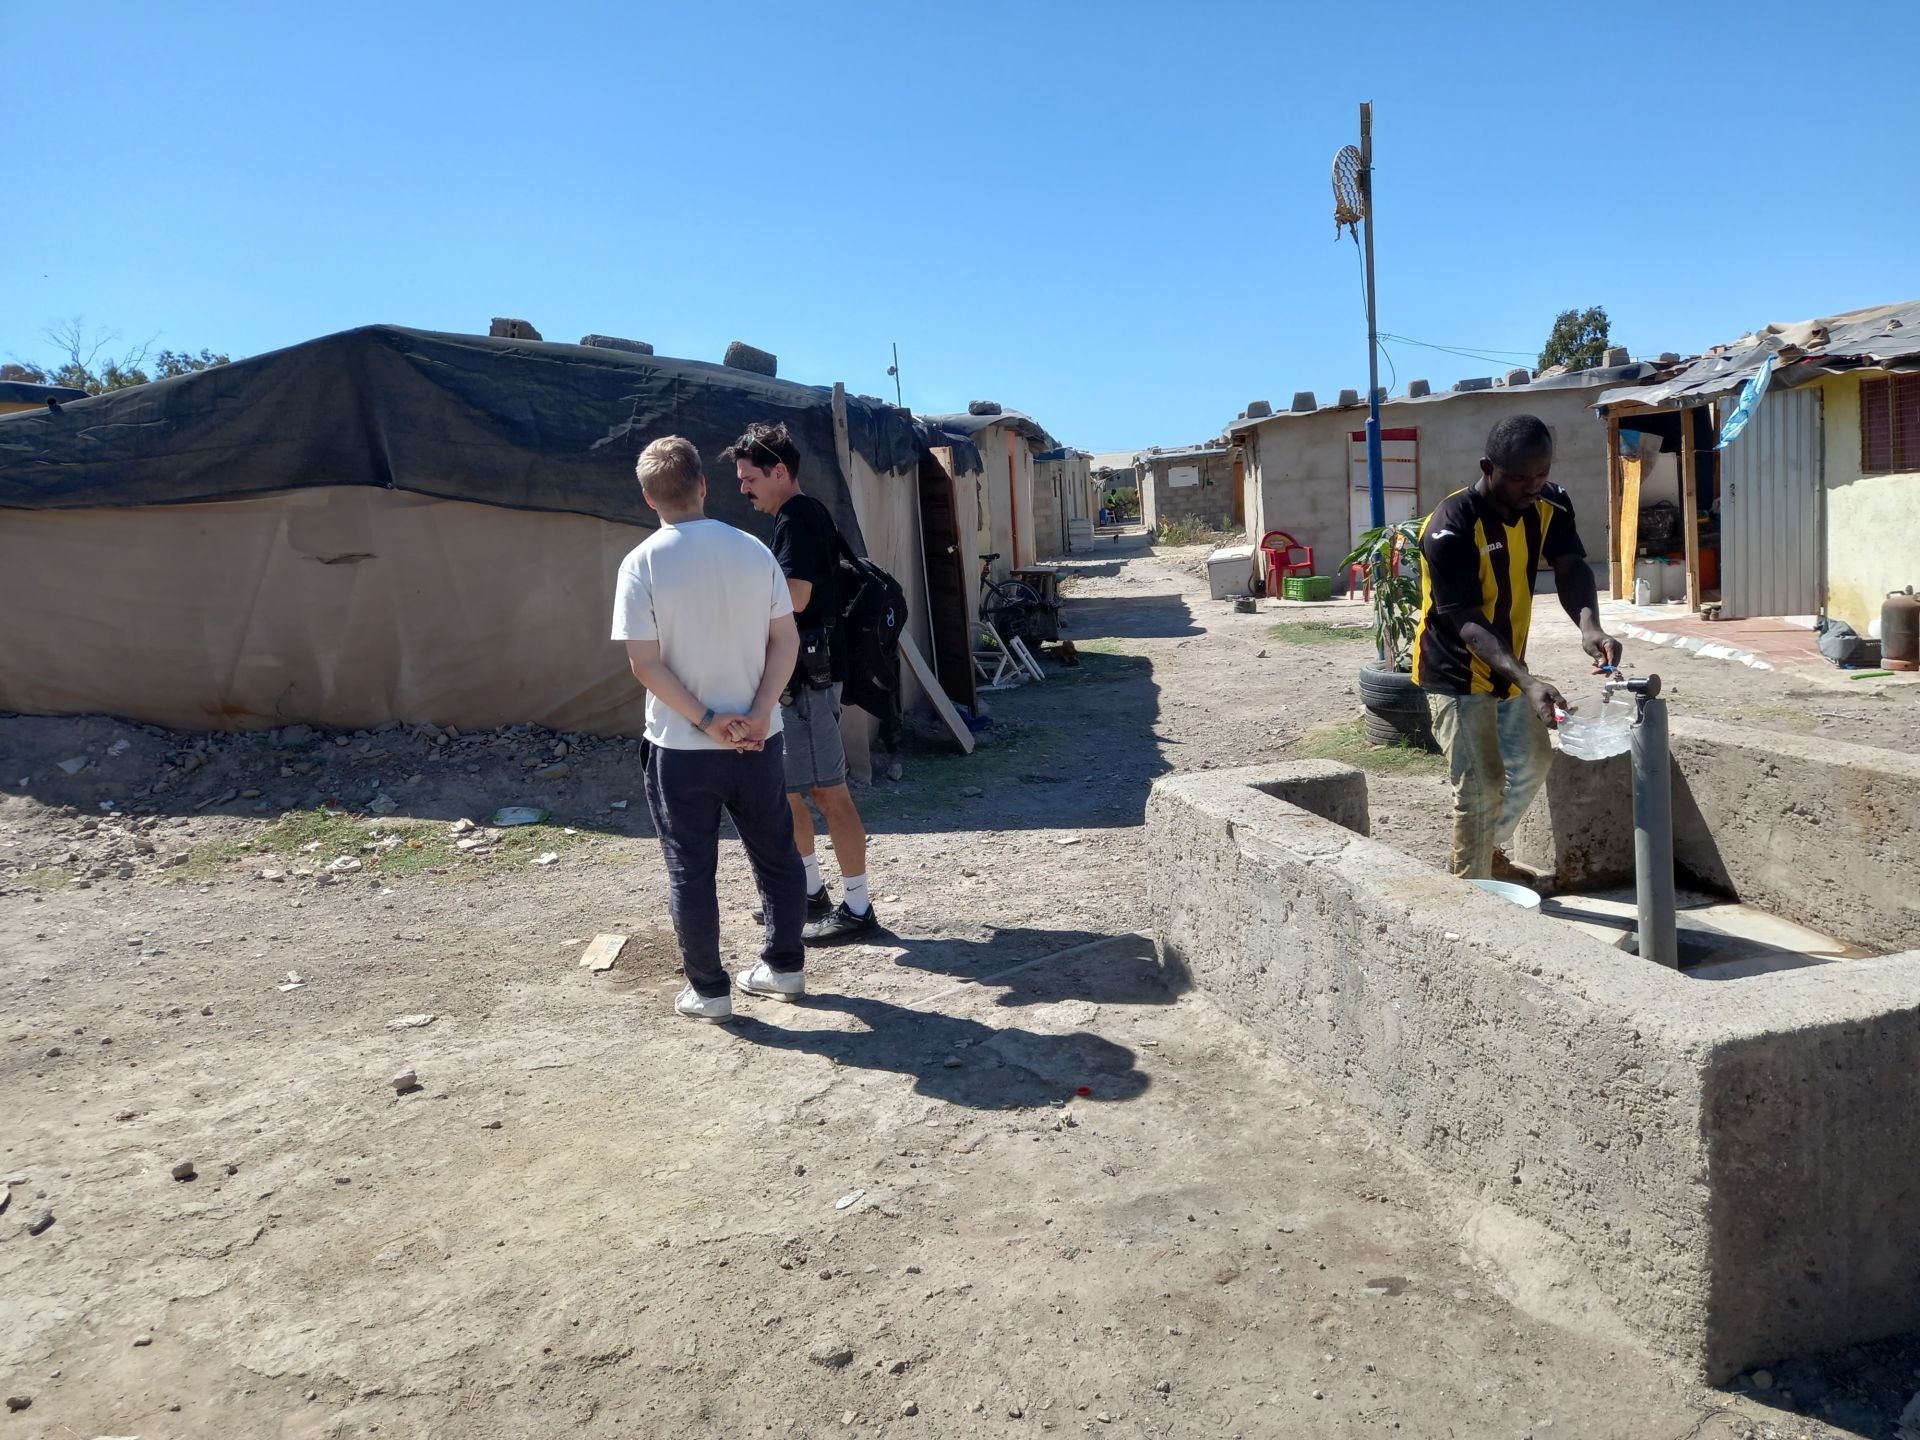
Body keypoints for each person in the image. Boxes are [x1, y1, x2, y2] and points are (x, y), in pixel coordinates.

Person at [611, 435, 809, 1021]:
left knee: (691, 867)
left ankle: (709, 990)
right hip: (759, 739)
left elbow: (644, 662)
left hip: (681, 747)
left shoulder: (642, 561)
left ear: (648, 499)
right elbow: (786, 639)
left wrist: (707, 720)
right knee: (776, 854)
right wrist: (757, 712)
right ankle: (785, 967)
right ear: (703, 484)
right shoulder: (753, 549)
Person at [1412, 415, 1624, 881]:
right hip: (1455, 671)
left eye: (1541, 473)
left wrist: (1591, 628)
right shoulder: (1450, 526)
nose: (1533, 486)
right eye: (1519, 477)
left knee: (1532, 762)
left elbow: (1571, 567)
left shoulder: (1552, 503)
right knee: (1481, 784)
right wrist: (1528, 681)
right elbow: (1465, 620)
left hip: (1509, 668)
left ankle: (1482, 852)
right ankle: (1472, 887)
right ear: (1489, 467)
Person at [724, 421, 881, 944]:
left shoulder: (796, 518)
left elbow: (794, 598)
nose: (743, 489)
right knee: (790, 788)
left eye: (750, 478)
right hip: (798, 682)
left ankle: (857, 910)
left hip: (809, 684)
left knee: (827, 791)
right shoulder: (801, 515)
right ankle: (809, 891)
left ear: (780, 471)